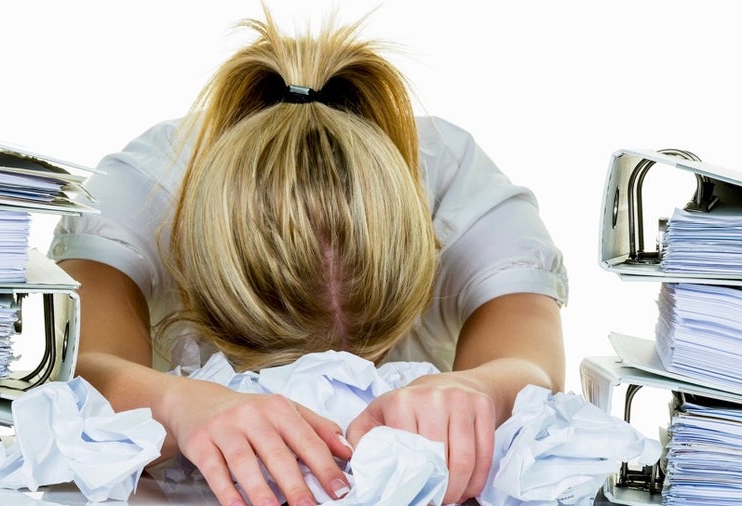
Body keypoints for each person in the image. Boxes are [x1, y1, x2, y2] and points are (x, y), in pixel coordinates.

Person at [49, 8, 567, 506]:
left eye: (366, 360)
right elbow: (75, 369)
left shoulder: (464, 196)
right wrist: (174, 404)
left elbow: (532, 367)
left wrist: (476, 389)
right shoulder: (138, 192)